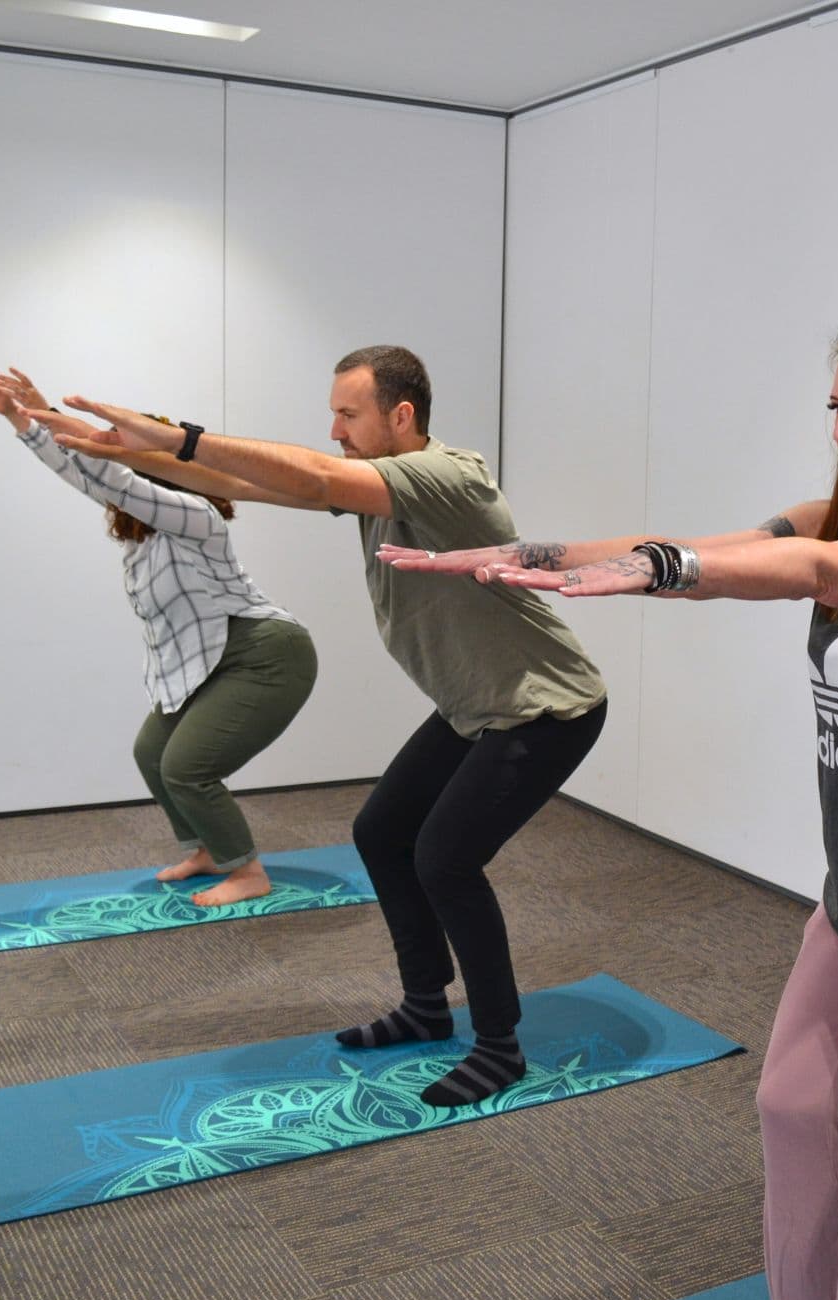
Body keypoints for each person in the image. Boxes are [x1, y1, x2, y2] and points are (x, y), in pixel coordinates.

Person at [385, 311, 838, 1300]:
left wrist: (662, 571)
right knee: (788, 1102)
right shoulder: (833, 517)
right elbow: (718, 546)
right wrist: (526, 551)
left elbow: (815, 573)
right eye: (835, 406)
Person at [33, 346, 607, 1108]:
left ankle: (499, 1044)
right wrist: (136, 454)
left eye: (348, 413)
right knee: (381, 832)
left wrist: (178, 437)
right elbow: (246, 482)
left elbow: (309, 474)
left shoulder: (449, 477)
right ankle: (427, 1006)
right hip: (477, 707)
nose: (334, 428)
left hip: (547, 706)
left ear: (401, 416)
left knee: (445, 859)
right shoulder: (378, 488)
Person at [0, 363, 317, 908]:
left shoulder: (197, 516)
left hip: (265, 655)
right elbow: (93, 478)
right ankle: (205, 850)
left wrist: (36, 419)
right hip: (211, 659)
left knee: (188, 767)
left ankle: (246, 871)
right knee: (152, 753)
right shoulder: (144, 543)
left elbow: (107, 476)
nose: (119, 457)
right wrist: (28, 416)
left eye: (130, 450)